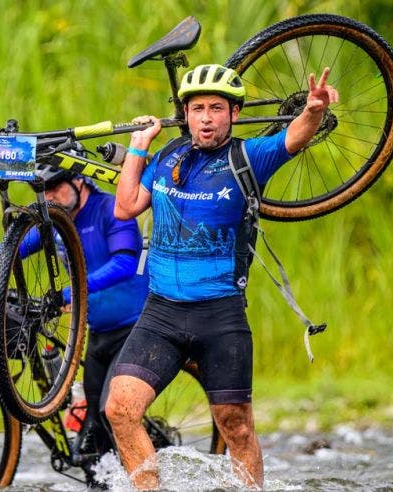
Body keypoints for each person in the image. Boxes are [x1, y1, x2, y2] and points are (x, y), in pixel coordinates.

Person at [105, 63, 338, 489]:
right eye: (197, 109)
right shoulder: (168, 156)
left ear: (233, 114)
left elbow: (293, 137)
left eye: (216, 108)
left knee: (237, 428)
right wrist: (138, 147)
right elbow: (126, 206)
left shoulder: (248, 157)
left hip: (220, 316)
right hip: (161, 315)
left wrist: (314, 111)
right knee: (120, 409)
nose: (206, 117)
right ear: (187, 113)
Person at [0, 165, 149, 483]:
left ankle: (144, 477)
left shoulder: (112, 208)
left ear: (79, 181)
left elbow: (124, 263)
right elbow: (15, 248)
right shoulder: (56, 222)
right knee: (95, 426)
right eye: (43, 189)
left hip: (135, 328)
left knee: (109, 411)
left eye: (56, 187)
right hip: (97, 331)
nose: (50, 195)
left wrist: (73, 290)